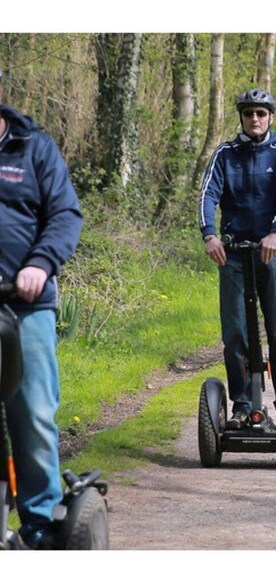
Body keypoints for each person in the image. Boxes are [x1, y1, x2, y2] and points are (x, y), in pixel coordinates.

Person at [0, 69, 84, 548]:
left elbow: (65, 214)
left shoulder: (33, 147)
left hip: (24, 303)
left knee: (30, 411)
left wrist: (40, 263)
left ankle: (36, 526)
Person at [199, 87, 276, 431]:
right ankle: (242, 404)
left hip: (273, 251)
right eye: (249, 114)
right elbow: (208, 193)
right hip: (234, 253)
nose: (254, 119)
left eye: (261, 113)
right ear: (242, 118)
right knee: (236, 335)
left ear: (270, 117)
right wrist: (209, 235)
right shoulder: (225, 153)